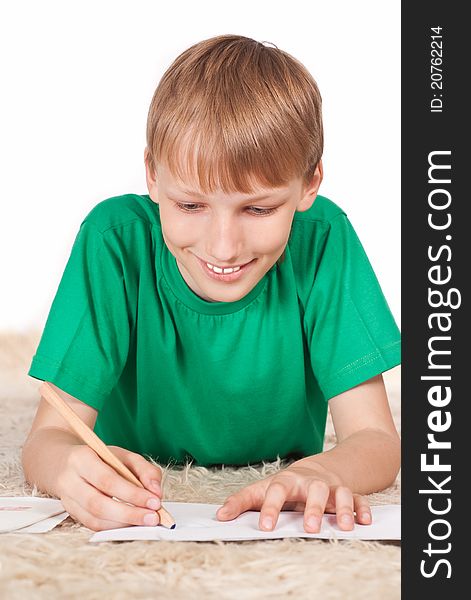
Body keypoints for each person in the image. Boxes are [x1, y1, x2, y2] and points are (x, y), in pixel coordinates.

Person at [22, 34, 401, 533]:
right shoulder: (113, 240)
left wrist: (320, 471)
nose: (223, 248)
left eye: (259, 209)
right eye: (191, 206)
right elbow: (47, 441)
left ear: (310, 184)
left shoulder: (325, 240)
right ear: (152, 176)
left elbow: (376, 438)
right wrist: (68, 470)